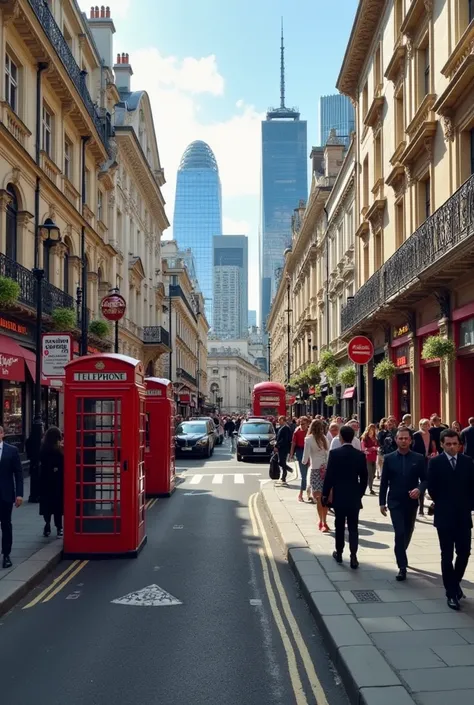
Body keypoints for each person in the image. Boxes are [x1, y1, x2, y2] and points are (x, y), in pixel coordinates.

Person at [428, 429, 474, 611]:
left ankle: (454, 583)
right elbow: (432, 488)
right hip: (444, 515)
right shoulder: (435, 463)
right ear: (442, 444)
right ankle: (451, 593)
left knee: (464, 552)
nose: (452, 447)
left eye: (455, 444)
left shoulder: (468, 462)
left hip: (463, 515)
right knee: (446, 555)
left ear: (460, 444)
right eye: (448, 444)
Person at [379, 427, 427, 581]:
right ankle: (402, 566)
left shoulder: (419, 458)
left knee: (408, 532)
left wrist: (419, 489)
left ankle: (400, 551)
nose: (403, 441)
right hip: (394, 502)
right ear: (396, 440)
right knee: (399, 533)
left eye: (406, 438)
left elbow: (426, 479)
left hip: (411, 502)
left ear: (411, 440)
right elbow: (384, 482)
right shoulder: (389, 458)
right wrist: (381, 502)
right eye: (400, 438)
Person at [322, 425, 368, 568]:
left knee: (339, 525)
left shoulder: (335, 454)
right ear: (353, 437)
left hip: (339, 496)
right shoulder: (360, 455)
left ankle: (340, 553)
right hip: (354, 496)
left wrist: (325, 494)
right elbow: (365, 478)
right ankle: (354, 556)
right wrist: (359, 493)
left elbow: (329, 477)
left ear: (340, 438)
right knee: (353, 527)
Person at [0, 425, 24, 569]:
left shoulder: (12, 451)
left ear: (2, 434)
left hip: (6, 494)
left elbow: (19, 475)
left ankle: (6, 555)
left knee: (6, 525)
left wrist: (19, 494)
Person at [302, 420, 329, 531]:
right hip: (326, 470)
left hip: (315, 470)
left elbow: (305, 459)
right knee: (325, 498)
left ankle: (321, 522)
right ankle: (325, 521)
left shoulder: (308, 439)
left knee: (318, 498)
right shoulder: (325, 439)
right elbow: (328, 454)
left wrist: (304, 462)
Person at [39, 426, 64, 537]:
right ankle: (59, 527)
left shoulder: (43, 447)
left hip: (45, 482)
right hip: (57, 481)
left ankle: (47, 525)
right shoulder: (59, 449)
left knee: (47, 505)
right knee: (57, 505)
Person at [412, 418, 431, 515]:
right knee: (417, 482)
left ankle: (422, 508)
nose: (426, 426)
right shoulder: (416, 435)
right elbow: (413, 448)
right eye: (424, 424)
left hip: (427, 460)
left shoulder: (430, 435)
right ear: (420, 425)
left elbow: (432, 447)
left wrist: (431, 453)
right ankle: (418, 506)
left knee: (424, 482)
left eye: (427, 424)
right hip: (417, 461)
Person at [290, 416, 310, 502]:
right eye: (300, 424)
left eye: (303, 424)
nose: (302, 426)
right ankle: (301, 494)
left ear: (308, 424)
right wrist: (291, 454)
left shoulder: (310, 432)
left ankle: (309, 494)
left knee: (311, 474)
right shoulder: (297, 432)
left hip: (310, 451)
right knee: (304, 475)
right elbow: (293, 444)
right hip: (300, 451)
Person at [275, 416, 293, 486]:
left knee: (281, 462)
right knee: (281, 462)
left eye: (279, 420)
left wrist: (277, 446)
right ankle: (283, 476)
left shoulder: (286, 428)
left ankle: (285, 474)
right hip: (281, 448)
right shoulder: (282, 428)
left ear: (283, 420)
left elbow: (285, 439)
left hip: (284, 448)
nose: (278, 421)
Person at [361, 423, 378, 495]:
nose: (372, 431)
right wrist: (372, 448)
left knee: (373, 473)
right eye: (371, 429)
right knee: (369, 474)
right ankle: (370, 489)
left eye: (373, 430)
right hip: (367, 458)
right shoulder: (365, 438)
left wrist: (377, 448)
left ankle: (369, 486)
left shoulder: (375, 438)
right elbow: (363, 448)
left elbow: (377, 446)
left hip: (374, 457)